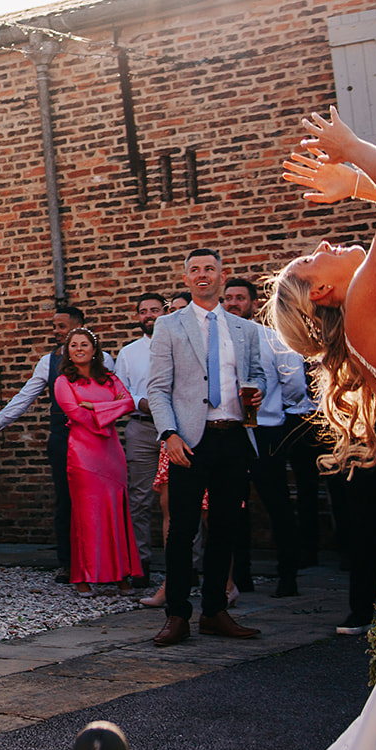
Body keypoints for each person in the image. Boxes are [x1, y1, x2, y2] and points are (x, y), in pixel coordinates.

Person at [273, 108, 376, 750]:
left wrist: (355, 183)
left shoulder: (369, 305)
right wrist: (354, 152)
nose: (326, 244)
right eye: (314, 257)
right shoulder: (370, 300)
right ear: (322, 290)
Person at [147, 247, 266, 647]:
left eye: (210, 270)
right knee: (181, 530)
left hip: (233, 436)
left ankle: (215, 610)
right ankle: (177, 614)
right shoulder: (169, 326)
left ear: (222, 275)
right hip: (188, 442)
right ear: (186, 279)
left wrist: (258, 393)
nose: (203, 275)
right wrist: (169, 435)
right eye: (195, 270)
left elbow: (259, 376)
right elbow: (158, 389)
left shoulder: (245, 329)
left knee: (226, 528)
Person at [0, 304, 112, 583]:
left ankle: (103, 562)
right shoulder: (49, 362)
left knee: (100, 500)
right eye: (54, 326)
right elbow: (24, 397)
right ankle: (68, 563)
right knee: (65, 502)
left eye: (62, 326)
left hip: (97, 439)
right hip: (62, 439)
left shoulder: (106, 361)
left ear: (79, 327)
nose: (56, 332)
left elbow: (116, 396)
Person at [222, 276, 307, 598]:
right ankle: (241, 576)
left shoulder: (273, 339)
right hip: (230, 433)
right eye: (228, 298)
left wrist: (276, 409)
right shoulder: (218, 343)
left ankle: (288, 576)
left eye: (240, 298)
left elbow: (296, 384)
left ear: (253, 304)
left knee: (277, 504)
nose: (233, 303)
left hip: (268, 431)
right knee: (233, 506)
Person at [53, 327, 142, 594]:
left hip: (111, 453)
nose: (79, 349)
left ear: (94, 350)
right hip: (83, 453)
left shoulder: (110, 378)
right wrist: (105, 411)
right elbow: (74, 412)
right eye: (73, 345)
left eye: (84, 344)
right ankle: (83, 575)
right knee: (87, 514)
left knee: (117, 511)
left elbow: (128, 403)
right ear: (67, 351)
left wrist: (95, 407)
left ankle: (122, 575)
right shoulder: (63, 382)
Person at [113, 292, 166, 587]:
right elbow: (121, 392)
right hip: (142, 427)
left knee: (184, 497)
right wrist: (139, 401)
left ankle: (193, 563)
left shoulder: (177, 344)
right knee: (140, 498)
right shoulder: (129, 353)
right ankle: (141, 562)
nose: (149, 315)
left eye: (155, 310)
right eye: (144, 311)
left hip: (177, 429)